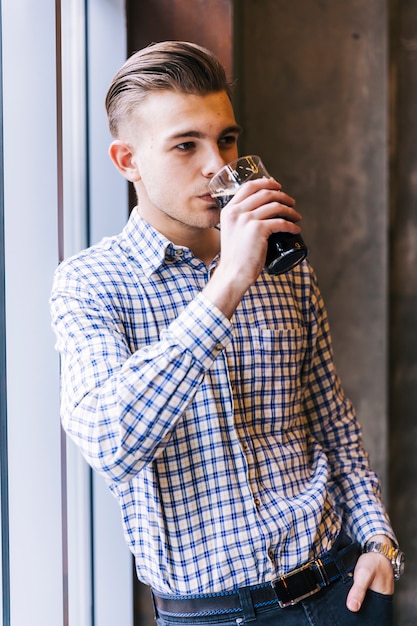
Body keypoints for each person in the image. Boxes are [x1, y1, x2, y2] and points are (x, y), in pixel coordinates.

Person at [50, 41, 403, 625]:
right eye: (186, 145)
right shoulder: (90, 283)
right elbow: (111, 442)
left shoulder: (285, 266)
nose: (217, 165)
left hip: (342, 593)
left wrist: (379, 542)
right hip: (211, 615)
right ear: (128, 161)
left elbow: (332, 418)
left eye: (228, 139)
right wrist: (228, 284)